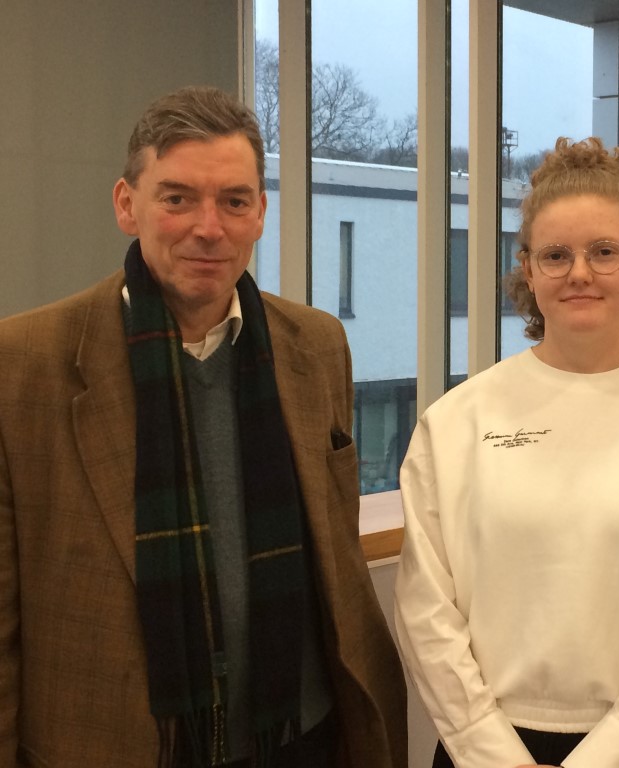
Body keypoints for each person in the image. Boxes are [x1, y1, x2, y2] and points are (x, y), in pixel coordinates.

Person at [0, 86, 406, 767]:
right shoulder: (25, 364)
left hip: (302, 735)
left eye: (234, 200)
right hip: (119, 746)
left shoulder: (317, 344)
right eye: (178, 197)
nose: (208, 226)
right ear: (128, 205)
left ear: (260, 214)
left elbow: (332, 554)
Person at [394, 137, 619, 768]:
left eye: (604, 252)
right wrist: (490, 753)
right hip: (485, 750)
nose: (579, 273)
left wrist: (610, 757)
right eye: (556, 255)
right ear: (527, 269)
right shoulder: (456, 423)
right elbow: (426, 615)